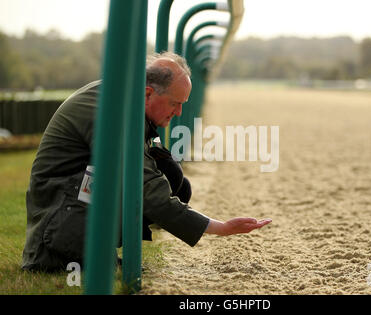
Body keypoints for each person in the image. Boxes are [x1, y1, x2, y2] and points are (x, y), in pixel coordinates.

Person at [22, 52, 271, 272]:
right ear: (148, 93)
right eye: (175, 103)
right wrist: (221, 227)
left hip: (71, 198)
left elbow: (154, 177)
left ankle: (95, 248)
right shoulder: (115, 112)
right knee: (153, 183)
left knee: (173, 178)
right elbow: (148, 189)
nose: (179, 113)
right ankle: (72, 253)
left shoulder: (126, 100)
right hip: (53, 226)